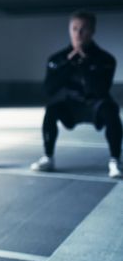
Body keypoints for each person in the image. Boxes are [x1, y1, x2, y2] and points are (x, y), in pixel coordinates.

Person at [30, 10, 122, 178]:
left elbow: (100, 90)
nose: (78, 33)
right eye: (74, 28)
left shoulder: (106, 59)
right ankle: (48, 157)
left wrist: (85, 64)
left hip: (95, 105)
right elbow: (48, 89)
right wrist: (69, 64)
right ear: (69, 30)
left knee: (112, 111)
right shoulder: (56, 59)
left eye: (83, 29)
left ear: (92, 31)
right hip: (71, 104)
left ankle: (115, 161)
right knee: (51, 109)